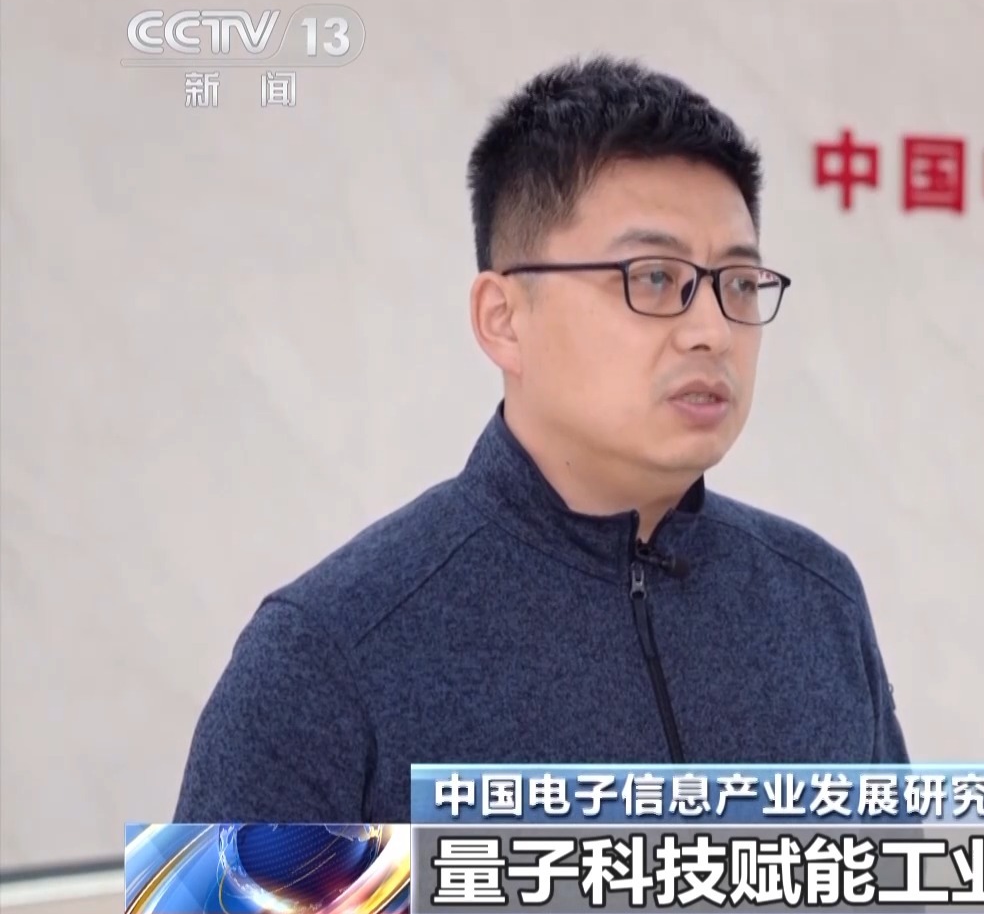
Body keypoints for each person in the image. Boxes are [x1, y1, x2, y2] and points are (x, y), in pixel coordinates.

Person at [174, 56, 909, 823]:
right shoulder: (327, 654)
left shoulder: (817, 601)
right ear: (503, 319)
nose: (712, 331)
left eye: (739, 284)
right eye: (654, 278)